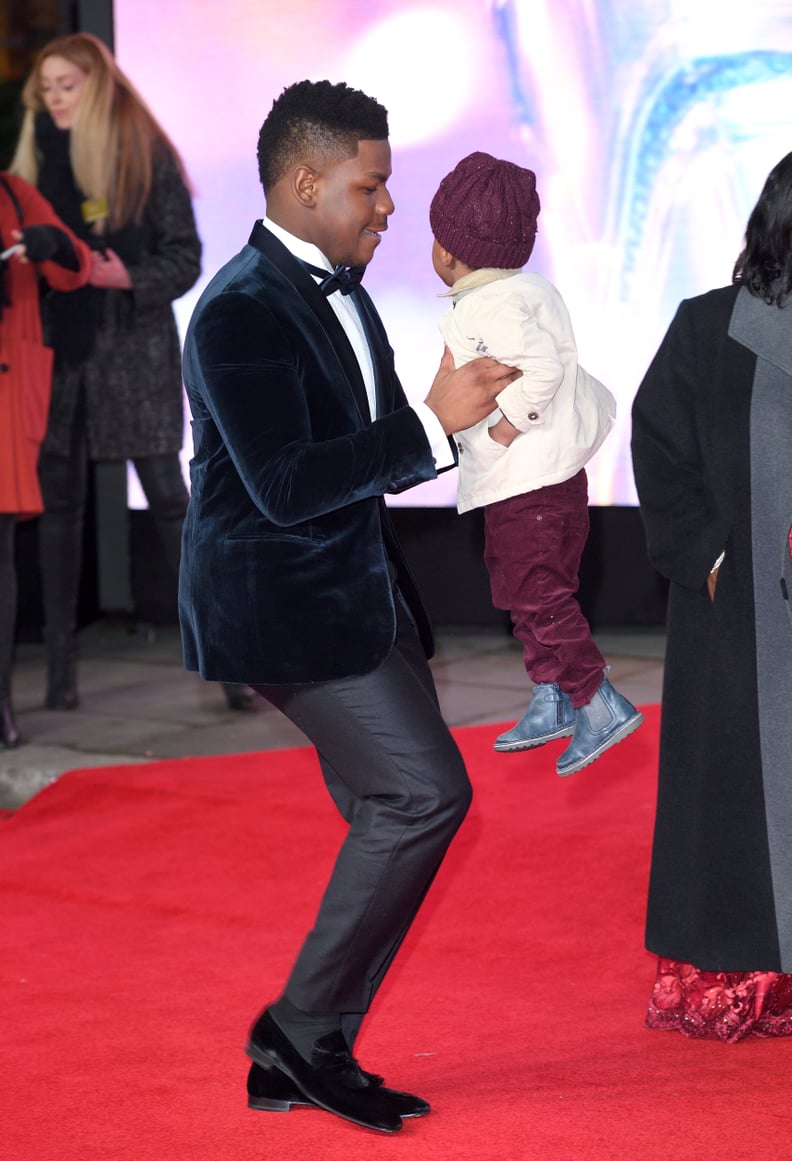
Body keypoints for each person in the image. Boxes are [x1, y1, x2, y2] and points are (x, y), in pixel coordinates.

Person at [179, 80, 521, 1134]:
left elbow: (346, 467)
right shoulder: (239, 309)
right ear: (305, 181)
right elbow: (284, 484)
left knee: (388, 808)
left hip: (351, 591)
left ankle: (314, 1047)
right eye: (371, 188)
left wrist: (451, 426)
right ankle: (295, 1028)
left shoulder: (338, 285)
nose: (386, 208)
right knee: (421, 797)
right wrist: (430, 420)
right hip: (280, 606)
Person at [7, 34, 253, 711]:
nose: (54, 98)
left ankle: (228, 662)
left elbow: (186, 257)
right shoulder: (27, 171)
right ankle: (60, 675)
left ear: (98, 88)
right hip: (59, 355)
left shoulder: (144, 157)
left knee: (172, 504)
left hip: (134, 350)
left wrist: (127, 277)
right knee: (59, 512)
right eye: (46, 88)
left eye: (66, 85)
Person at [631, 152, 792, 1042]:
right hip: (742, 616)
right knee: (736, 795)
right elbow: (658, 446)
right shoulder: (710, 327)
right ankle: (746, 976)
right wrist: (709, 556)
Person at [429, 152, 643, 775]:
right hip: (539, 484)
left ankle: (595, 700)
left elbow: (543, 371)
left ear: (447, 249)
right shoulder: (522, 289)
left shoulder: (488, 304)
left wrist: (501, 427)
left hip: (530, 484)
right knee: (521, 587)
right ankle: (552, 696)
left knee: (537, 594)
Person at [0, 173, 91, 747]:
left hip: (8, 394)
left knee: (1, 547)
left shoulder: (13, 191)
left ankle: (0, 701)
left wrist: (50, 243)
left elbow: (73, 263)